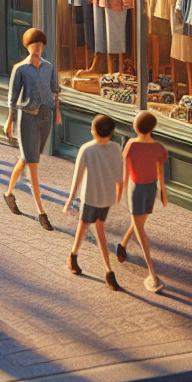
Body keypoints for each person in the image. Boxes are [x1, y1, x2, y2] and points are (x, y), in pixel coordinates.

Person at [4, 28, 61, 229]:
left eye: (41, 44)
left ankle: (8, 194)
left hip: (45, 116)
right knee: (33, 165)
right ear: (27, 46)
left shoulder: (48, 67)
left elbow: (55, 91)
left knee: (27, 159)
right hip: (27, 118)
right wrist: (9, 120)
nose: (38, 48)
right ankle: (41, 212)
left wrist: (58, 113)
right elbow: (12, 97)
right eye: (34, 44)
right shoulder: (20, 69)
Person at [63, 114, 123, 291]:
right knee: (98, 228)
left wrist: (70, 199)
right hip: (106, 198)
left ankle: (76, 258)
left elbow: (77, 177)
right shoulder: (116, 148)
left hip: (90, 197)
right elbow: (120, 176)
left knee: (85, 226)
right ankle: (106, 271)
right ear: (112, 132)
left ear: (93, 131)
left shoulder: (86, 149)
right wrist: (118, 195)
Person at [116, 110, 169, 293]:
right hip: (149, 189)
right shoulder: (158, 147)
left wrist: (121, 191)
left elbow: (125, 173)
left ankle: (124, 248)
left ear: (136, 127)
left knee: (139, 226)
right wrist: (162, 191)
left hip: (138, 190)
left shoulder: (131, 144)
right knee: (140, 230)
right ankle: (151, 273)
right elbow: (160, 171)